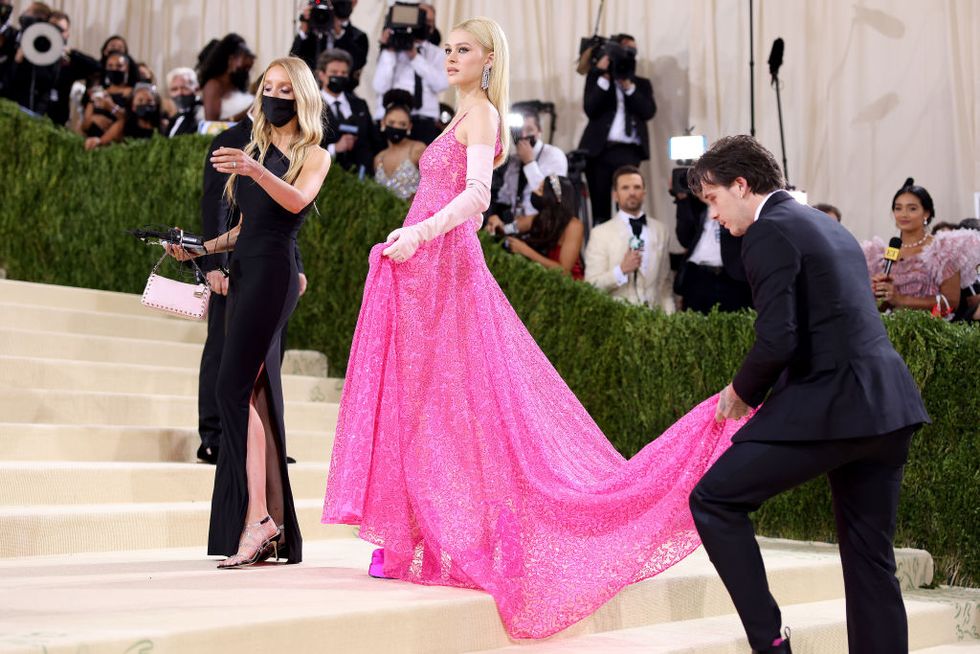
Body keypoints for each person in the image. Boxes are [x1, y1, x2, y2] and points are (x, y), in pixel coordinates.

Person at [322, 17, 747, 640]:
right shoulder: (460, 114)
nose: (451, 58)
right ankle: (417, 535)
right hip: (422, 271)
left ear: (490, 58)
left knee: (468, 406)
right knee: (428, 405)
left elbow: (475, 197)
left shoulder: (482, 116)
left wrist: (417, 231)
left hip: (444, 268)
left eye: (463, 50)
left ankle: (460, 535)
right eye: (447, 49)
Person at [685, 135, 929, 654]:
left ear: (742, 184)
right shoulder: (825, 223)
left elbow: (779, 338)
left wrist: (740, 392)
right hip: (889, 407)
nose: (714, 216)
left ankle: (770, 645)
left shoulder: (768, 232)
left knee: (713, 499)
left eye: (713, 199)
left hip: (835, 405)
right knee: (869, 557)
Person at [169, 56, 329, 567]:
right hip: (245, 269)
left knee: (232, 389)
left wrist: (256, 169)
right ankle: (262, 519)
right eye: (269, 86)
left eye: (285, 87)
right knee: (248, 394)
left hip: (274, 274)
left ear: (301, 95)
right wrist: (202, 249)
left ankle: (260, 518)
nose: (275, 94)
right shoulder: (254, 148)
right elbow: (246, 227)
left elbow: (295, 204)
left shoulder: (314, 154)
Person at [862, 178, 980, 317]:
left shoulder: (943, 249)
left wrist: (902, 300)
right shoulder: (885, 252)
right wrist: (881, 294)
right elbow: (882, 307)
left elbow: (951, 303)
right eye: (898, 208)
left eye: (912, 208)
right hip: (893, 329)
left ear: (926, 213)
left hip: (933, 332)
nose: (903, 214)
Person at [578, 34, 656, 225]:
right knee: (600, 210)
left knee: (628, 204)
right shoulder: (596, 77)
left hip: (628, 152)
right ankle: (601, 249)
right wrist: (603, 76)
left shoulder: (641, 83)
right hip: (599, 152)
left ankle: (630, 242)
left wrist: (628, 86)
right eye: (625, 50)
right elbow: (590, 109)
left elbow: (648, 111)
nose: (630, 55)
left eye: (633, 51)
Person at [584, 165, 673, 312]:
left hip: (656, 320)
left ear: (644, 193)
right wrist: (621, 270)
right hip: (617, 320)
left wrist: (671, 320)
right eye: (625, 188)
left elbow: (665, 285)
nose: (632, 192)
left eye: (637, 187)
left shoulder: (661, 230)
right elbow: (590, 287)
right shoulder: (600, 234)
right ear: (615, 195)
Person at [371, 16, 448, 143]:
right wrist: (389, 49)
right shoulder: (389, 52)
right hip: (390, 121)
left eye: (429, 21)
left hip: (424, 121)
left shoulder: (437, 53)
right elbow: (379, 86)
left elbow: (441, 84)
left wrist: (415, 57)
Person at [673, 190, 752, 313]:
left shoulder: (738, 205)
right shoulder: (696, 206)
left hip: (731, 278)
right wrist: (683, 199)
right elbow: (684, 239)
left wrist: (717, 200)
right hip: (698, 276)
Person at [485, 110, 567, 226]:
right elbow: (506, 196)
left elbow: (553, 196)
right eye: (518, 131)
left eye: (529, 130)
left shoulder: (554, 155)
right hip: (515, 226)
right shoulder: (514, 161)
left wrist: (529, 162)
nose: (523, 136)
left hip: (543, 225)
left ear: (539, 131)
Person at [496, 175, 584, 279]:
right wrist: (497, 224)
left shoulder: (574, 226)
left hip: (567, 287)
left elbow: (564, 271)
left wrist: (525, 251)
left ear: (553, 197)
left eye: (541, 189)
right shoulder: (538, 219)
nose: (535, 192)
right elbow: (507, 228)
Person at [317, 48, 378, 176]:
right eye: (334, 72)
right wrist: (334, 148)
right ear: (321, 75)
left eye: (343, 73)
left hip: (361, 178)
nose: (339, 76)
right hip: (328, 179)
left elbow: (373, 140)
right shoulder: (311, 106)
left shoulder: (360, 105)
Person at [290, 0, 368, 84]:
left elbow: (356, 64)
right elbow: (293, 60)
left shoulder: (359, 37)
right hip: (310, 87)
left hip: (339, 92)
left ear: (354, 3)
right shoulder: (312, 34)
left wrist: (339, 32)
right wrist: (304, 30)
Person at [46, 10, 99, 127]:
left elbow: (97, 67)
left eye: (61, 30)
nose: (56, 33)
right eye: (53, 28)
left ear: (67, 34)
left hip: (58, 119)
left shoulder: (71, 60)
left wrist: (72, 53)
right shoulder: (35, 52)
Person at [373, 91, 424, 200]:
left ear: (409, 127)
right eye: (391, 123)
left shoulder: (417, 149)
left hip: (413, 215)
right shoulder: (379, 158)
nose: (396, 127)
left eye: (402, 124)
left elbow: (433, 183)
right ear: (383, 123)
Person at [81, 51, 132, 150]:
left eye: (119, 66)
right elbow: (84, 126)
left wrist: (111, 107)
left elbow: (130, 120)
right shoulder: (99, 93)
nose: (114, 69)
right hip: (91, 145)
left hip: (117, 147)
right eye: (110, 66)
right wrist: (93, 119)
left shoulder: (132, 93)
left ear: (127, 68)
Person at [198, 33, 255, 121]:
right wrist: (248, 112)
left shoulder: (237, 85)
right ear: (231, 59)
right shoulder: (213, 85)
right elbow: (211, 125)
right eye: (244, 68)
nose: (246, 72)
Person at [164, 67, 202, 137]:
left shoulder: (203, 113)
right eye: (174, 89)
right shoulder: (176, 118)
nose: (179, 93)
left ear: (196, 89)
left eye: (184, 88)